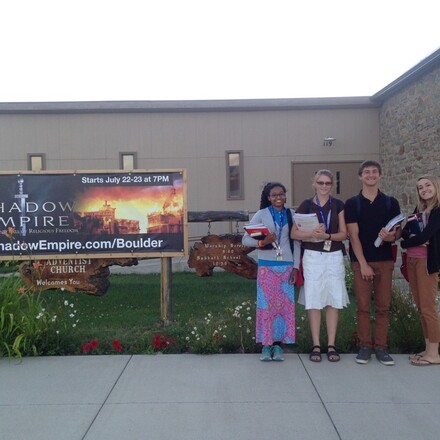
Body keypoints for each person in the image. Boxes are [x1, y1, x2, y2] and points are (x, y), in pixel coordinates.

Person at [344, 160, 401, 365]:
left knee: (383, 307)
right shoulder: (353, 203)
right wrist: (363, 264)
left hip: (385, 261)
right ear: (360, 176)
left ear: (380, 175)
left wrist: (391, 237)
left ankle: (382, 348)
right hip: (361, 262)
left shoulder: (391, 202)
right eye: (366, 172)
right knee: (363, 306)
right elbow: (353, 235)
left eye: (374, 172)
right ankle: (365, 346)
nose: (370, 175)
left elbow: (398, 232)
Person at [292, 169, 349, 362]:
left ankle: (331, 345)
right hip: (313, 256)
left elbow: (344, 234)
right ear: (314, 184)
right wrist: (312, 234)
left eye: (327, 183)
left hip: (333, 256)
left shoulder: (338, 205)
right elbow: (294, 233)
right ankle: (316, 345)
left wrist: (327, 236)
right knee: (314, 299)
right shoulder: (306, 205)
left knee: (333, 300)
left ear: (332, 185)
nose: (324, 186)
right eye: (320, 182)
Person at [242, 182, 300, 361]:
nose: (278, 198)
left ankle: (278, 345)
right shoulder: (262, 214)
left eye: (281, 194)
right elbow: (245, 240)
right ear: (268, 197)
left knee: (283, 307)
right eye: (274, 195)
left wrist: (296, 267)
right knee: (266, 306)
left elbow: (297, 242)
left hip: (287, 265)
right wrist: (263, 242)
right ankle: (266, 346)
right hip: (267, 266)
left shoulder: (292, 214)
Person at [400, 175, 440, 366]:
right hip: (412, 260)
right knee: (420, 308)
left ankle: (434, 354)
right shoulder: (419, 210)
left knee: (428, 308)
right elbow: (405, 232)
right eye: (420, 187)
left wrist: (407, 241)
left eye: (427, 185)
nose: (424, 189)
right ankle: (427, 349)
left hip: (426, 263)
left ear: (435, 186)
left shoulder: (438, 211)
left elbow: (425, 236)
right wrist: (410, 239)